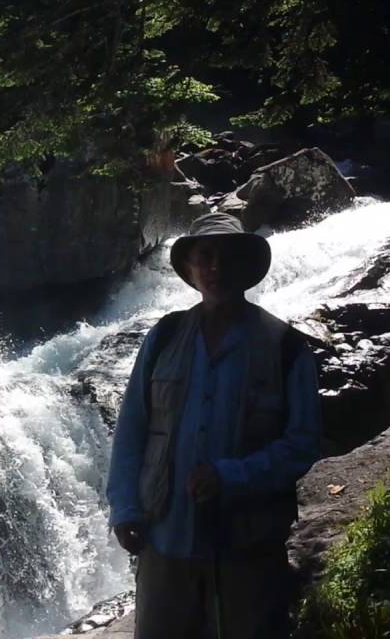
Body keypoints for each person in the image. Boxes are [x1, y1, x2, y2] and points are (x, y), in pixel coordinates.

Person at [106, 212, 322, 639]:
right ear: (189, 268)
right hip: (165, 541)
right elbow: (132, 427)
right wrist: (124, 506)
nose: (216, 268)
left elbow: (303, 442)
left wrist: (231, 476)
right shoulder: (163, 338)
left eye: (228, 258)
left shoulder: (285, 348)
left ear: (248, 268)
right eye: (206, 256)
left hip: (247, 551)